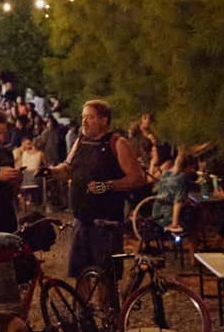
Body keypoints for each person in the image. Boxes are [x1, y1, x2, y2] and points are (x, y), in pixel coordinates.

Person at [47, 100, 148, 275]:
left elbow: (137, 178)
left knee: (106, 276)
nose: (84, 122)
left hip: (106, 223)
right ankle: (81, 304)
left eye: (90, 117)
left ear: (104, 120)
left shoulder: (117, 143)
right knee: (81, 274)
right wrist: (51, 172)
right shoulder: (81, 142)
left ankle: (105, 304)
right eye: (83, 117)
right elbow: (68, 169)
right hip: (81, 219)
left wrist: (108, 185)